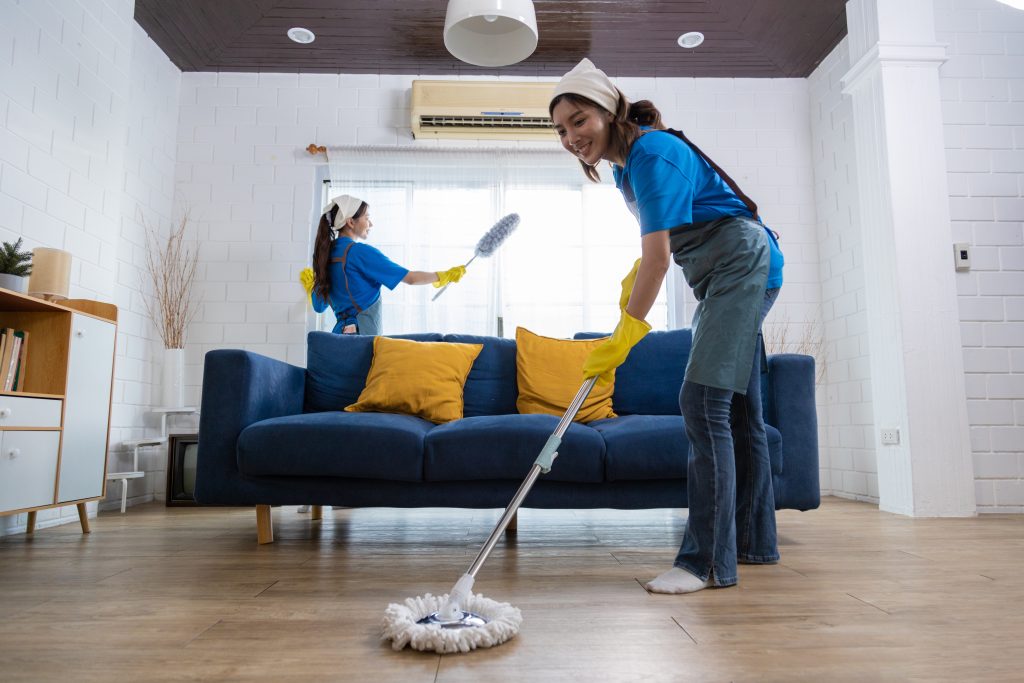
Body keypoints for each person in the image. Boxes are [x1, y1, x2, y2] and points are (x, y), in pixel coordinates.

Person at [549, 58, 784, 594]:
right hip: (729, 274)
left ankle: (703, 563)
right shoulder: (626, 166)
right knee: (739, 410)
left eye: (579, 121)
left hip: (741, 267)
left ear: (609, 112)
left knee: (703, 403)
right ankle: (752, 542)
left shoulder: (651, 152)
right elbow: (661, 241)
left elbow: (658, 259)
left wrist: (625, 333)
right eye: (561, 129)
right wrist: (635, 279)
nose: (570, 137)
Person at [300, 194, 467, 335]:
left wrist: (311, 288)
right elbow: (411, 278)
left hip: (337, 340)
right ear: (351, 222)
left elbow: (318, 306)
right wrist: (443, 276)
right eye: (367, 218)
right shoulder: (359, 253)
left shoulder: (326, 256)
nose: (370, 224)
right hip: (363, 339)